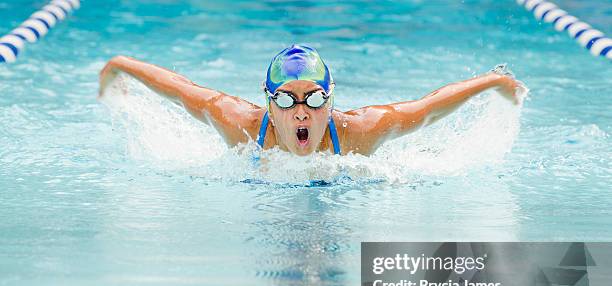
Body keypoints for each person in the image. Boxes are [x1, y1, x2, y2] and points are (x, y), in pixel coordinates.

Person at [99, 44, 525, 157]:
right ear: (267, 103)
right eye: (285, 101)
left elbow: (427, 108)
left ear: (332, 100)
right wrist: (120, 65)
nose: (300, 112)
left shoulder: (360, 130)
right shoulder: (241, 125)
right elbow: (179, 89)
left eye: (314, 99)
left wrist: (491, 82)